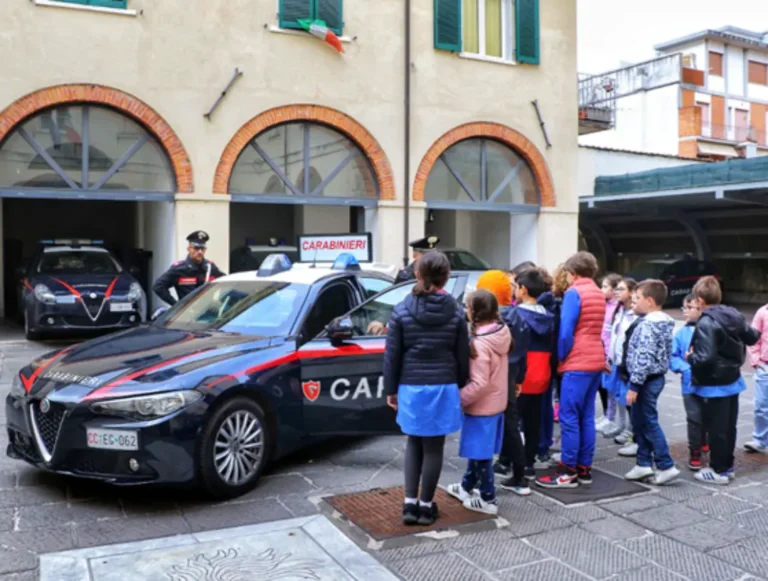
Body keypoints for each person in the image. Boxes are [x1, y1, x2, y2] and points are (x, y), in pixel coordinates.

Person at [383, 251, 470, 525]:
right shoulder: (455, 310)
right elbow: (462, 353)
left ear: (418, 275)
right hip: (443, 384)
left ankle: (408, 504)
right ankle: (426, 504)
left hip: (411, 384)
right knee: (434, 447)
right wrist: (462, 382)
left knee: (413, 442)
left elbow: (392, 355)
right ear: (446, 277)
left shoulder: (402, 308)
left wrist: (390, 389)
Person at [536, 251, 605, 489]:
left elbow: (566, 331)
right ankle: (584, 467)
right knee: (586, 416)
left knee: (568, 416)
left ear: (573, 272)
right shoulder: (598, 292)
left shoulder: (574, 293)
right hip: (596, 358)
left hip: (577, 361)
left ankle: (567, 471)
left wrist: (561, 357)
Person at [687, 276, 759, 485]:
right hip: (732, 379)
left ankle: (718, 470)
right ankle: (727, 466)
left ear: (700, 300)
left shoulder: (706, 322)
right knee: (729, 426)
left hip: (713, 384)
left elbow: (705, 357)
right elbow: (753, 336)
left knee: (716, 429)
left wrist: (690, 357)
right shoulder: (733, 314)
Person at [446, 290, 512, 515]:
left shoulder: (481, 343)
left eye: (467, 306)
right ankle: (466, 487)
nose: (466, 310)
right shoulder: (501, 332)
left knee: (481, 455)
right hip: (496, 403)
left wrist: (459, 399)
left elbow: (480, 383)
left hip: (481, 406)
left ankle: (488, 498)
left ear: (475, 311)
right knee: (479, 449)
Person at [475, 270, 529, 496]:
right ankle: (519, 474)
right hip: (512, 374)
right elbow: (524, 351)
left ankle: (482, 479)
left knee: (489, 426)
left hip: (495, 377)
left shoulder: (494, 320)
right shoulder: (518, 315)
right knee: (511, 425)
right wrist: (519, 379)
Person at [499, 268, 555, 485]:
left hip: (522, 373)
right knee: (533, 422)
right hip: (542, 372)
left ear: (522, 290)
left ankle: (512, 464)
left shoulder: (516, 315)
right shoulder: (549, 316)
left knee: (513, 421)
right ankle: (530, 462)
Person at [622, 280, 680, 485]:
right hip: (652, 379)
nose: (633, 303)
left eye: (637, 299)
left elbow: (643, 356)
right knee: (640, 422)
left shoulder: (648, 325)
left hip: (645, 381)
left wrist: (635, 384)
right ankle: (643, 463)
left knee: (648, 422)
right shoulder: (662, 322)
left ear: (649, 301)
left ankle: (665, 464)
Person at [670, 293, 707, 470]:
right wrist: (684, 368)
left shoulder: (709, 330)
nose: (685, 311)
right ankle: (695, 451)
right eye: (684, 307)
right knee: (693, 418)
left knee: (707, 416)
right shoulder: (681, 333)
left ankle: (704, 438)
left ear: (702, 310)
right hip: (689, 383)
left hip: (709, 383)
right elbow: (673, 356)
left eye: (690, 308)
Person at [607, 277, 639, 457]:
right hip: (618, 362)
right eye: (616, 289)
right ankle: (626, 428)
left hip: (628, 364)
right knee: (621, 397)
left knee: (631, 401)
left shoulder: (634, 314)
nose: (617, 292)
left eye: (621, 289)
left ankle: (633, 434)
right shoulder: (619, 311)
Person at [153, 230, 225, 306]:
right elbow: (158, 286)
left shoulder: (210, 267)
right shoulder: (179, 269)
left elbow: (225, 282)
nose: (200, 252)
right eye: (196, 248)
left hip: (207, 313)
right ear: (189, 249)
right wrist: (176, 306)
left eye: (202, 248)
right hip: (188, 314)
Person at [597, 273, 623, 436]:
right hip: (602, 351)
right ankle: (608, 416)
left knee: (613, 389)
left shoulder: (618, 308)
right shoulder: (604, 305)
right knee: (606, 387)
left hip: (610, 353)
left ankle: (615, 420)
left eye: (605, 286)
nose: (602, 289)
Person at [745, 302, 768, 454]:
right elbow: (753, 338)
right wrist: (756, 360)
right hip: (765, 366)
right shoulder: (763, 312)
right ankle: (760, 440)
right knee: (761, 406)